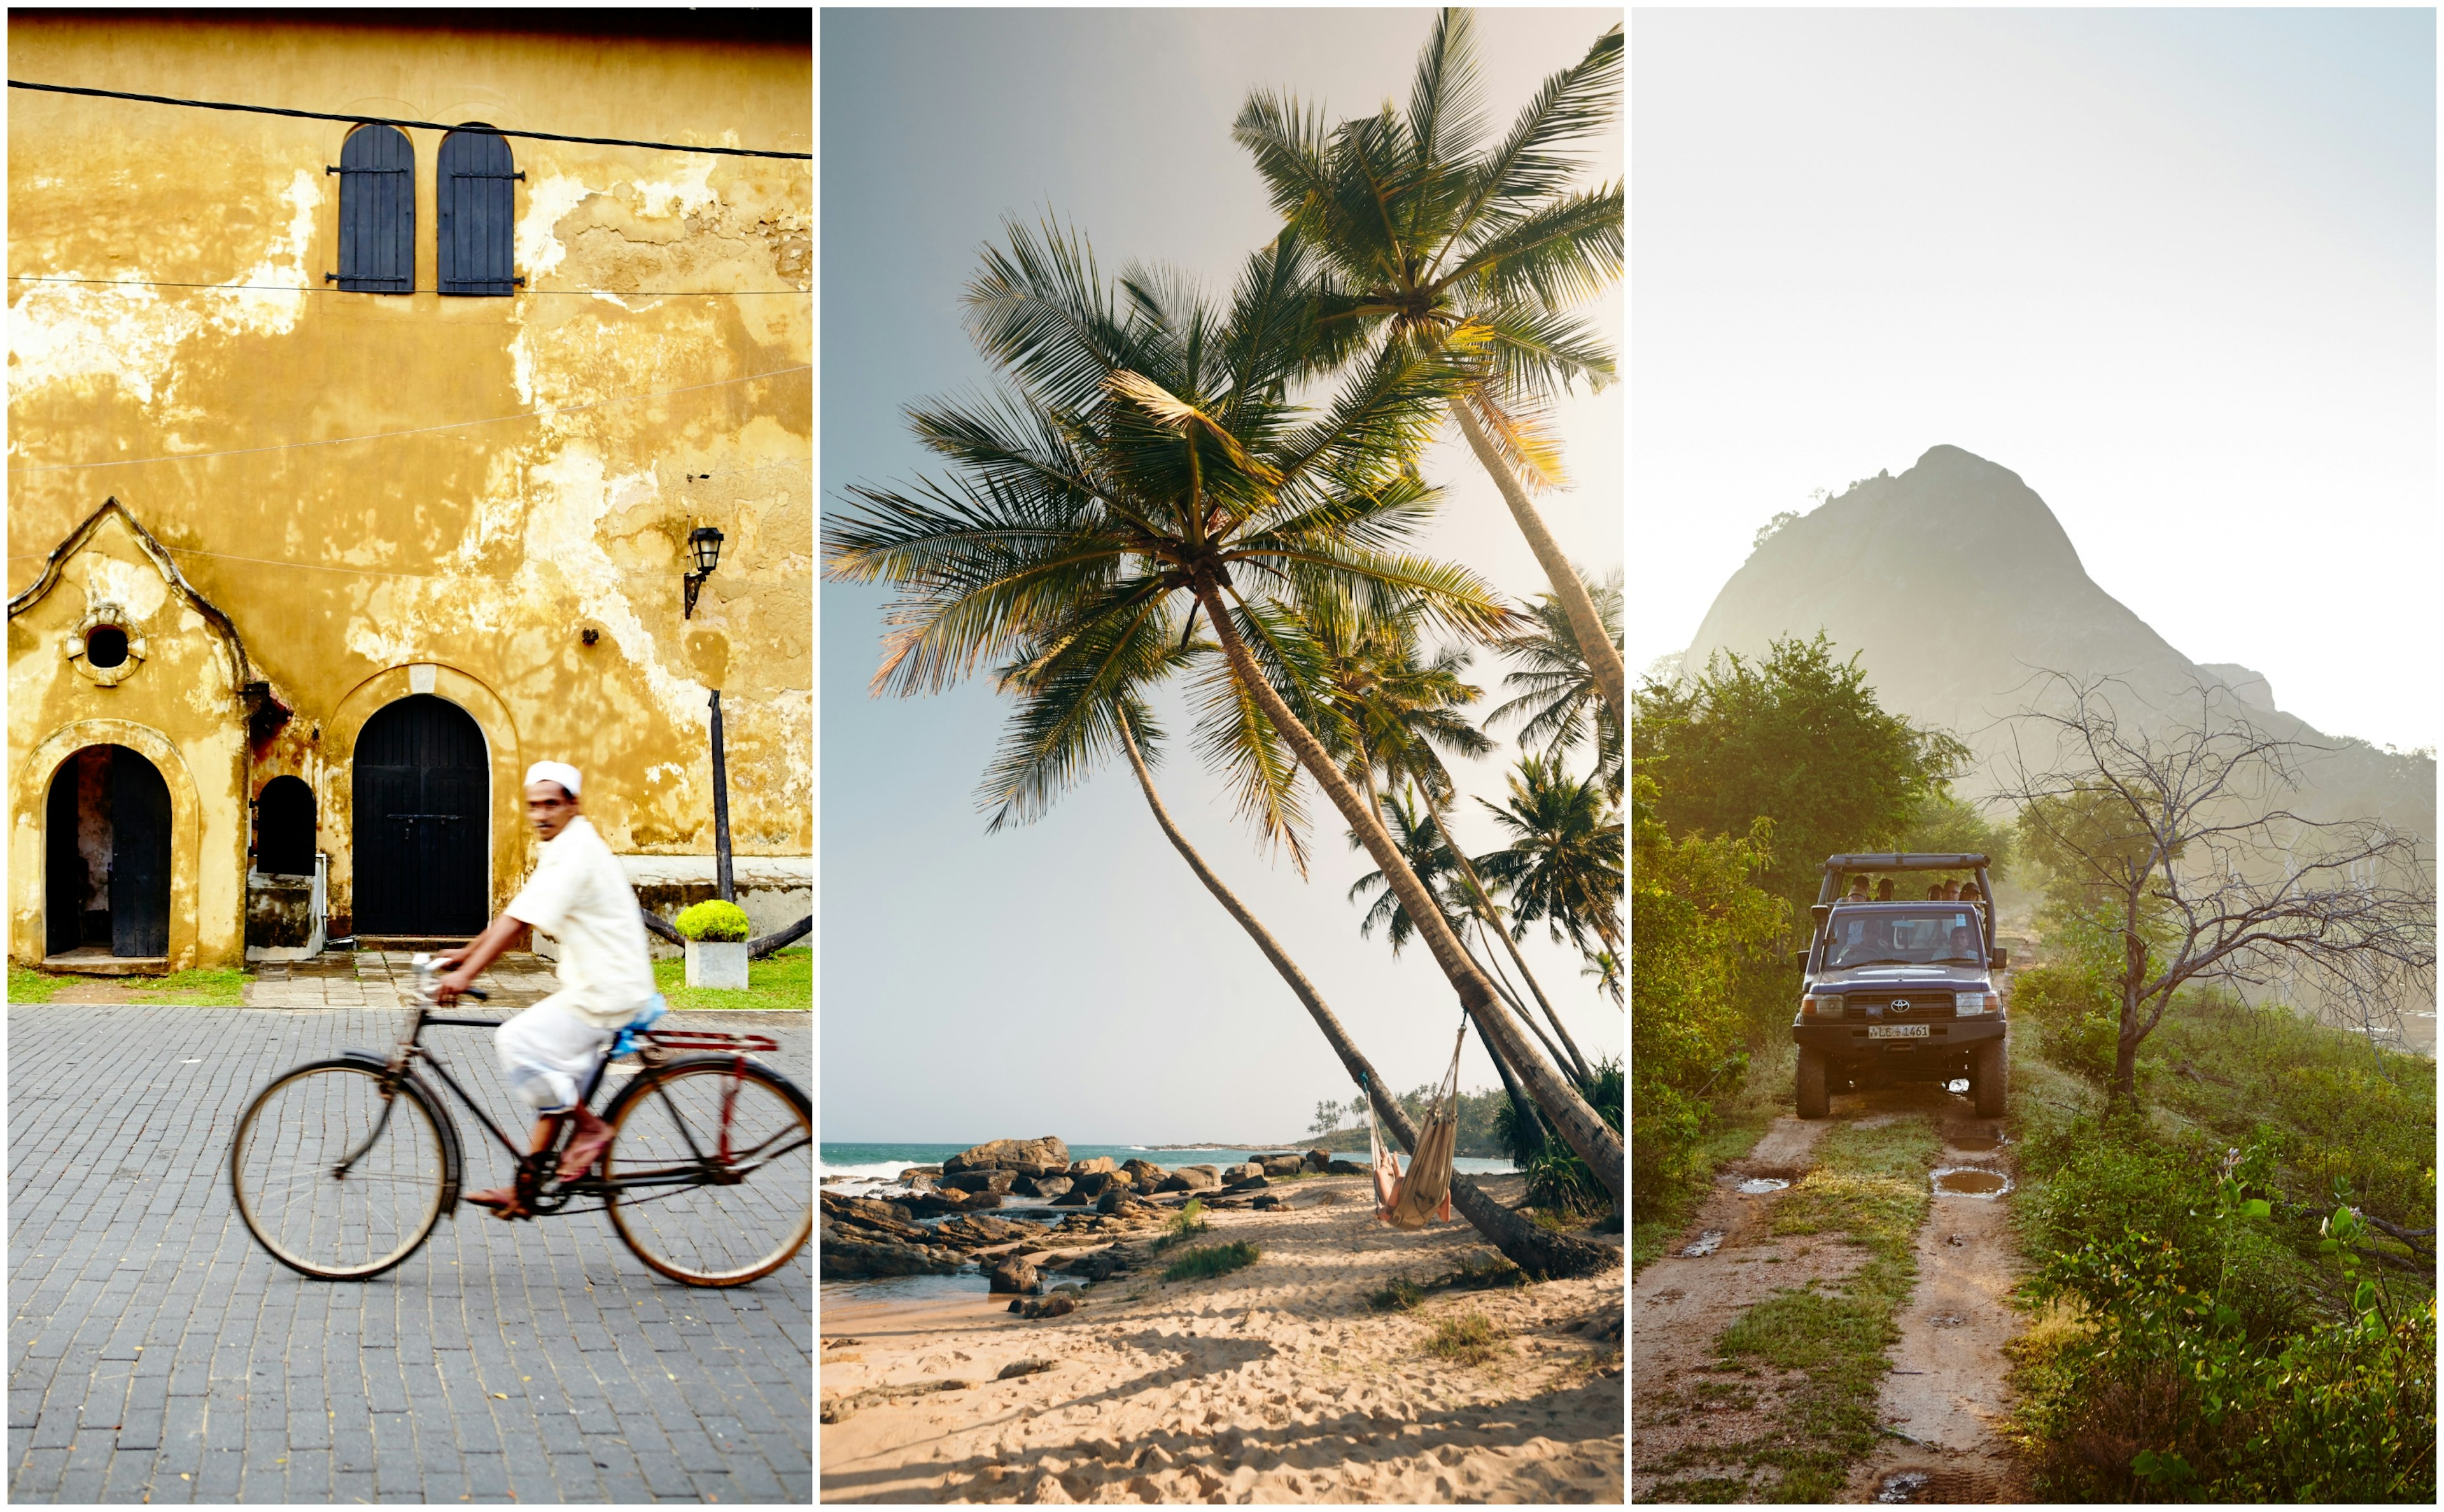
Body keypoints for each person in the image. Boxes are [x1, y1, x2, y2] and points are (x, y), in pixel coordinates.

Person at [435, 762, 665, 1217]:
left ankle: (593, 1131)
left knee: (518, 1041)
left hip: (606, 992)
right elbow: (520, 910)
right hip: (601, 984)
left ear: (573, 805)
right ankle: (523, 1191)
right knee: (554, 1083)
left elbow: (519, 923)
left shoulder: (576, 851)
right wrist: (467, 953)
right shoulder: (565, 845)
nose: (540, 814)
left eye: (551, 804)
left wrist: (468, 974)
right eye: (533, 806)